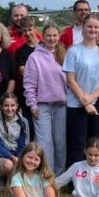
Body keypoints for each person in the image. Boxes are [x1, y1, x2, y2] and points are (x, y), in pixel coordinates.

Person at [64, 15, 99, 166]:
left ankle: (94, 177)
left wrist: (92, 97)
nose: (92, 29)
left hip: (98, 101)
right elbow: (70, 80)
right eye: (89, 26)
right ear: (83, 28)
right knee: (78, 141)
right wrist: (85, 101)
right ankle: (75, 179)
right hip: (76, 102)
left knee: (95, 140)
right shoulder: (73, 51)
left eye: (96, 27)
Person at [23, 23, 67, 173]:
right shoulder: (34, 57)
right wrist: (32, 104)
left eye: (55, 35)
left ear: (58, 36)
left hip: (62, 105)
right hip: (42, 106)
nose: (52, 38)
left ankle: (59, 175)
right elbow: (29, 83)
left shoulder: (64, 55)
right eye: (49, 35)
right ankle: (47, 173)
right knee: (44, 143)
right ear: (43, 36)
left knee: (60, 142)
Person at [0, 143, 75, 197]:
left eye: (36, 159)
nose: (32, 161)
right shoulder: (17, 177)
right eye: (30, 157)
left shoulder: (44, 175)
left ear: (41, 161)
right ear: (23, 157)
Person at [0, 93, 30, 188]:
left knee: (29, 162)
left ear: (17, 106)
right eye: (6, 105)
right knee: (8, 164)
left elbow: (23, 144)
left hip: (18, 155)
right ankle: (3, 180)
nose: (9, 109)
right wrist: (11, 156)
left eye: (12, 105)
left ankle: (12, 183)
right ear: (1, 106)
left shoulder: (23, 121)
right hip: (0, 155)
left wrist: (18, 158)